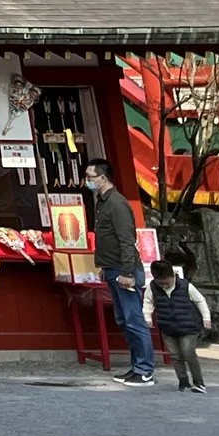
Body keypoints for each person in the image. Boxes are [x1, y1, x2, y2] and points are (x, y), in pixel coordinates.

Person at [85, 163, 156, 384]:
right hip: (112, 266)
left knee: (134, 319)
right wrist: (103, 267)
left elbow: (126, 240)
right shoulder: (102, 203)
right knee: (124, 319)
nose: (86, 180)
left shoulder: (116, 204)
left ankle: (145, 369)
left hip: (125, 268)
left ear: (103, 178)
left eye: (90, 176)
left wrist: (126, 271)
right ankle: (136, 366)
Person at [152, 260, 212, 391]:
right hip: (167, 327)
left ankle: (199, 382)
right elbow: (147, 302)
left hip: (189, 326)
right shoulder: (153, 288)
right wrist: (146, 317)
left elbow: (200, 301)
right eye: (160, 283)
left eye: (167, 282)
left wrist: (206, 318)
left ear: (173, 276)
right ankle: (183, 381)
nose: (164, 286)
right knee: (174, 355)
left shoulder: (186, 286)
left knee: (188, 353)